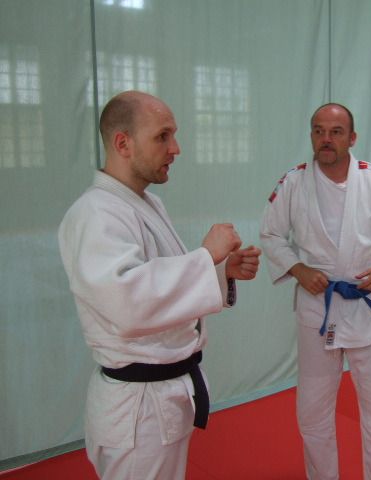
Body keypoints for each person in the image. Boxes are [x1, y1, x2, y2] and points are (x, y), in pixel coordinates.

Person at [58, 90, 261, 479]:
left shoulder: (145, 203)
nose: (176, 148)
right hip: (139, 407)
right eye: (162, 136)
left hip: (163, 396)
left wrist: (220, 271)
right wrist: (205, 256)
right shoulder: (95, 213)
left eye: (174, 135)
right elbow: (126, 304)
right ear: (123, 144)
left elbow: (157, 281)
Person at [260, 103, 371, 480]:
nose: (326, 139)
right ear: (311, 135)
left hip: (366, 303)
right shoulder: (293, 183)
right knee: (313, 411)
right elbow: (271, 235)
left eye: (335, 131)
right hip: (319, 307)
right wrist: (298, 269)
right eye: (319, 131)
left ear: (352, 137)